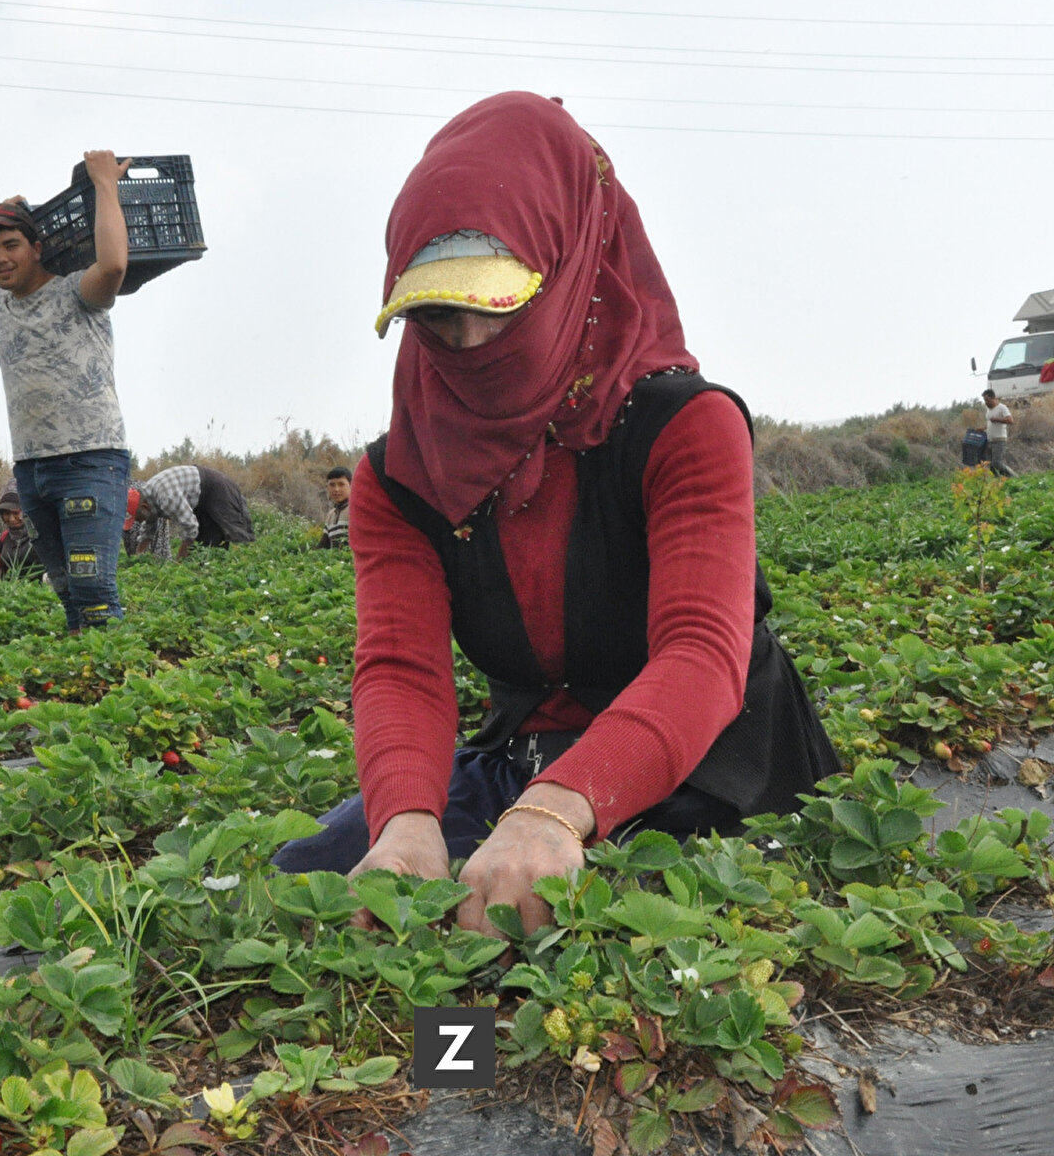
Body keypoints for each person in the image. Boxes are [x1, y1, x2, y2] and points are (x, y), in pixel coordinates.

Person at [273, 92, 839, 939]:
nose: (467, 347)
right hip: (530, 757)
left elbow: (700, 654)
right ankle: (452, 1053)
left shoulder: (683, 427)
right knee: (331, 882)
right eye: (434, 318)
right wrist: (405, 822)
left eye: (497, 307)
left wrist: (558, 813)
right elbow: (401, 668)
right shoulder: (400, 477)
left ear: (572, 266)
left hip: (713, 761)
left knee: (632, 914)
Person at [0, 150, 133, 632]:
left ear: (37, 248)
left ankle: (118, 688)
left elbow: (115, 265)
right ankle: (87, 688)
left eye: (10, 245)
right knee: (64, 588)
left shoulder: (80, 291)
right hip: (31, 469)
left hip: (91, 460)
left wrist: (104, 185)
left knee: (94, 590)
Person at [131, 465, 254, 560]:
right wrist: (138, 559)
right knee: (202, 549)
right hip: (200, 498)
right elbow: (148, 530)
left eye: (138, 518)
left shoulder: (167, 498)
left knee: (221, 540)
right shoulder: (147, 497)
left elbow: (191, 527)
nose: (139, 521)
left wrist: (178, 562)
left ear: (144, 507)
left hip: (216, 488)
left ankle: (242, 567)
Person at [982, 389, 1015, 477]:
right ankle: (998, 482)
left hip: (999, 440)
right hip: (990, 440)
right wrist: (983, 429)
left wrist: (997, 419)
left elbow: (1010, 420)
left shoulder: (1002, 408)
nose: (986, 403)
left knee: (997, 463)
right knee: (990, 465)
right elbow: (989, 423)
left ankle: (1013, 477)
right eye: (985, 401)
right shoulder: (988, 410)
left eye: (987, 400)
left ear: (994, 398)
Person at [317, 466, 352, 549]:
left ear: (351, 485)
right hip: (335, 561)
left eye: (341, 484)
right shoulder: (331, 515)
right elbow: (323, 546)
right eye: (332, 485)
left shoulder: (357, 510)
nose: (336, 489)